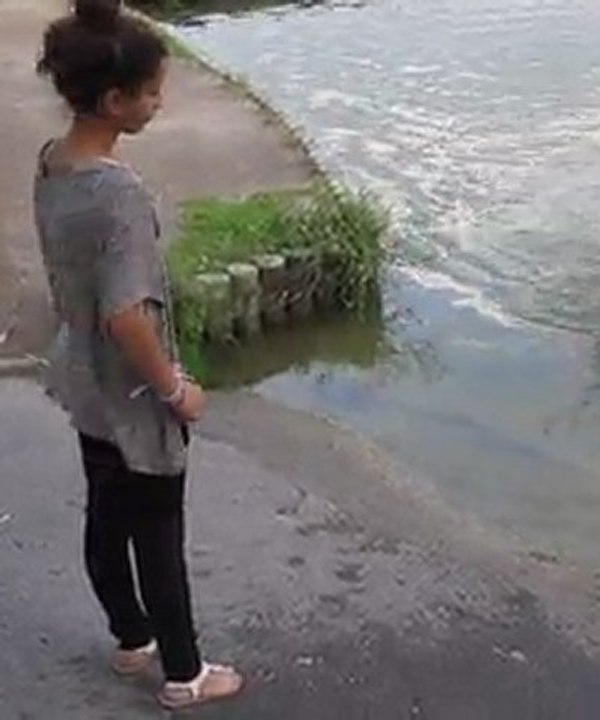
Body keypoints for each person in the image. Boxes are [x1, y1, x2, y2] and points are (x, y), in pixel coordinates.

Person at [34, 0, 242, 709]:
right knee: (158, 532)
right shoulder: (118, 194)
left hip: (84, 379)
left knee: (106, 514)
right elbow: (127, 313)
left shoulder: (52, 161)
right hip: (131, 393)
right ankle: (185, 675)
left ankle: (131, 639)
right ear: (114, 101)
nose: (159, 104)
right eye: (151, 92)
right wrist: (176, 389)